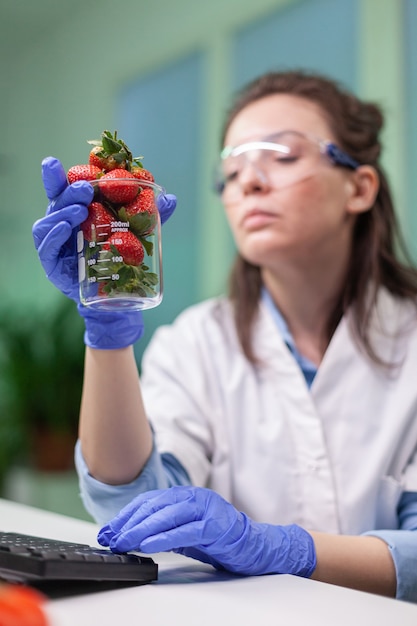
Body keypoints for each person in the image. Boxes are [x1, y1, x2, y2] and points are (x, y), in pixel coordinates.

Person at [33, 69, 417, 602]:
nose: (249, 182)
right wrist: (107, 325)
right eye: (232, 170)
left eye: (281, 155)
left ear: (360, 186)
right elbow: (133, 510)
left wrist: (286, 549)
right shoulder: (194, 343)